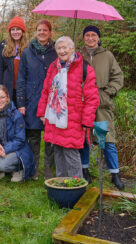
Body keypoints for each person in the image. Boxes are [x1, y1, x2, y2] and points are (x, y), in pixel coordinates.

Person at [37, 36, 100, 178]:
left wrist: (86, 121)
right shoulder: (54, 67)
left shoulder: (85, 68)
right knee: (58, 151)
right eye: (59, 48)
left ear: (72, 49)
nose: (62, 51)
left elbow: (92, 98)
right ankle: (61, 185)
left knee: (71, 154)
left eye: (65, 47)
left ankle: (76, 188)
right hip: (55, 117)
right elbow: (46, 91)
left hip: (74, 120)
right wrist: (42, 113)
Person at [79, 26, 125, 190]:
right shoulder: (78, 55)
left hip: (101, 105)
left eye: (93, 35)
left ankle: (115, 174)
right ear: (83, 38)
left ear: (98, 38)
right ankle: (85, 171)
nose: (90, 38)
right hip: (83, 104)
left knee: (106, 140)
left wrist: (108, 92)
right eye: (87, 35)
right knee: (84, 139)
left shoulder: (107, 55)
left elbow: (118, 77)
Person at [16, 19, 57, 180]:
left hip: (52, 100)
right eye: (39, 30)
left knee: (50, 136)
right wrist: (21, 103)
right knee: (33, 136)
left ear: (50, 32)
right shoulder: (27, 52)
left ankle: (48, 168)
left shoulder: (56, 51)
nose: (42, 32)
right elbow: (21, 79)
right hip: (32, 99)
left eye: (45, 30)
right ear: (35, 32)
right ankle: (33, 168)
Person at [0, 16, 28, 104]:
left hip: (23, 89)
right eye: (13, 29)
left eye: (18, 29)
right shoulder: (3, 45)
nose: (15, 32)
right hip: (7, 88)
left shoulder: (28, 47)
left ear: (23, 31)